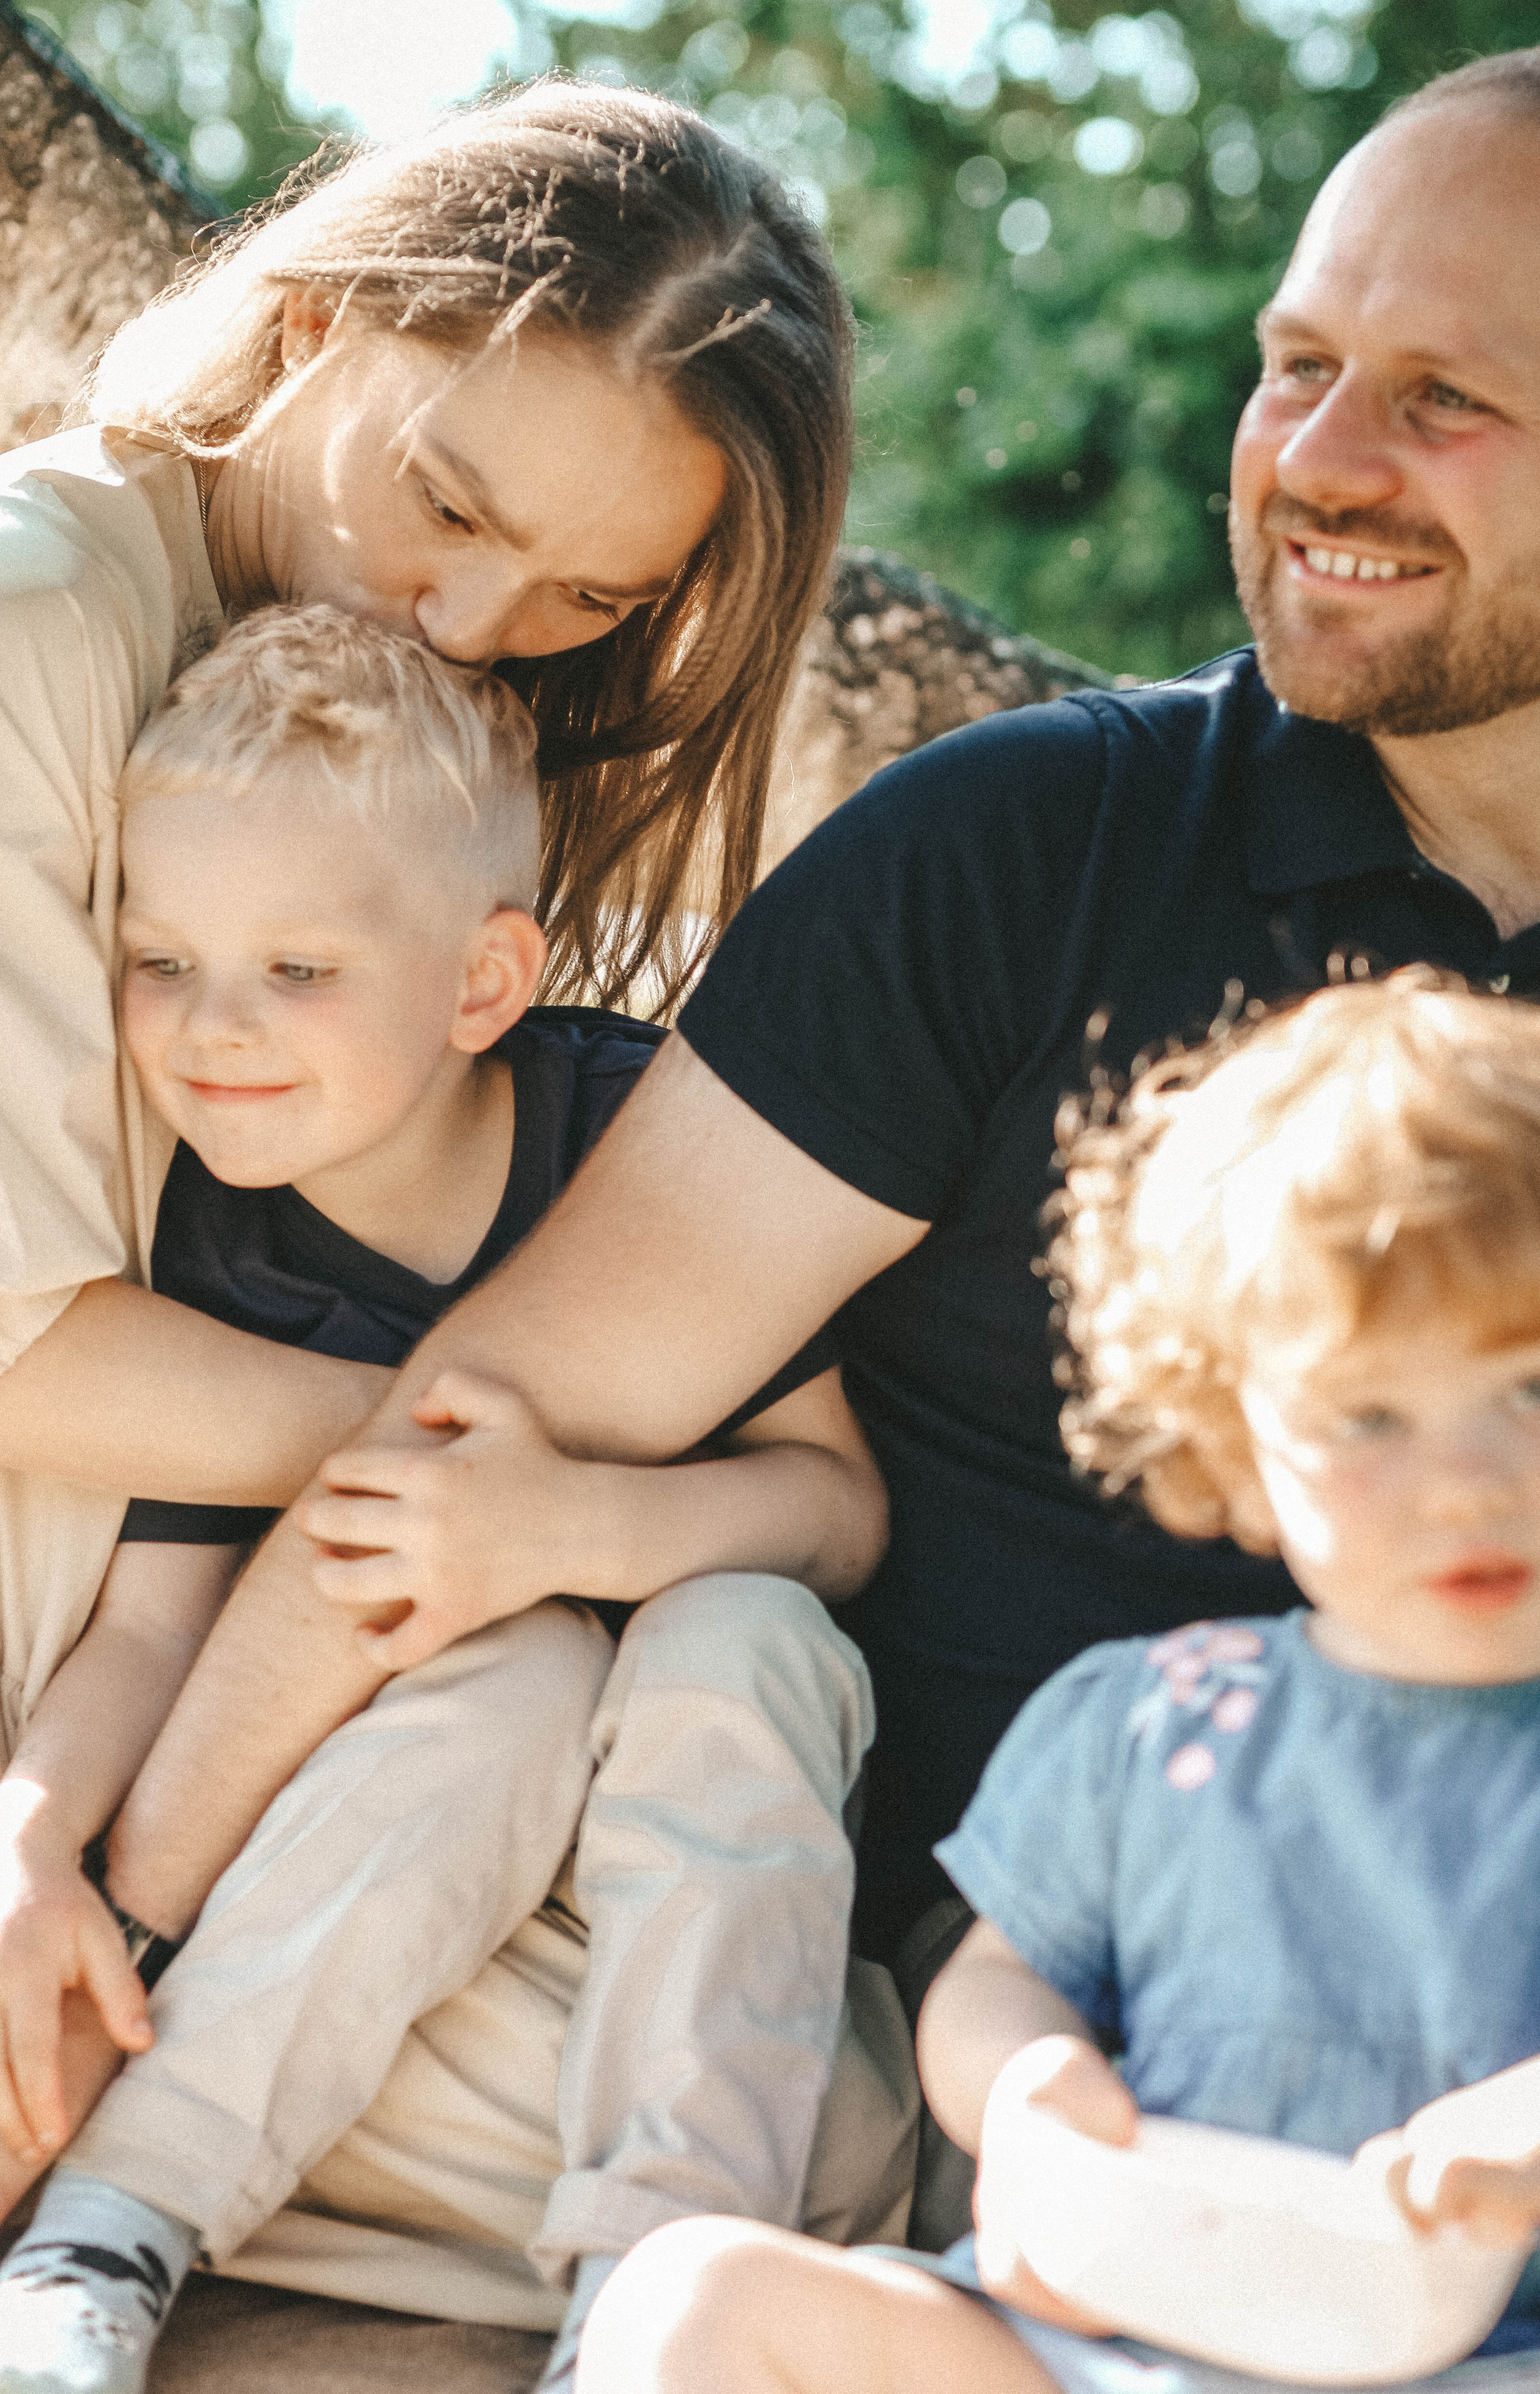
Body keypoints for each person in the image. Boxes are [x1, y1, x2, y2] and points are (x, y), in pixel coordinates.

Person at [113, 40, 1540, 2015]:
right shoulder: (1016, 854)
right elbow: (484, 1433)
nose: (1318, 459)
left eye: (1443, 400)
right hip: (1039, 2024)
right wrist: (120, 1932)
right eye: (1297, 364)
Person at [0, 69, 877, 2370]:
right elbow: (28, 1357)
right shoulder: (39, 621)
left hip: (399, 1716)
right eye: (450, 504)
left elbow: (803, 1521)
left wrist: (567, 1501)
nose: (480, 621)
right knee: (821, 2123)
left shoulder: (417, 796)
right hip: (146, 1710)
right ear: (315, 315)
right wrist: (524, 1442)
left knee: (693, 1760)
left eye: (590, 594)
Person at [572, 969, 1540, 2394]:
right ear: (1234, 1444)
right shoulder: (1151, 1720)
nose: (1459, 1485)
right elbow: (997, 1981)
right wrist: (1026, 2091)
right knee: (696, 2297)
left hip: (1521, 2360)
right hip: (1116, 2351)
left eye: (1536, 1388)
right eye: (1364, 1416)